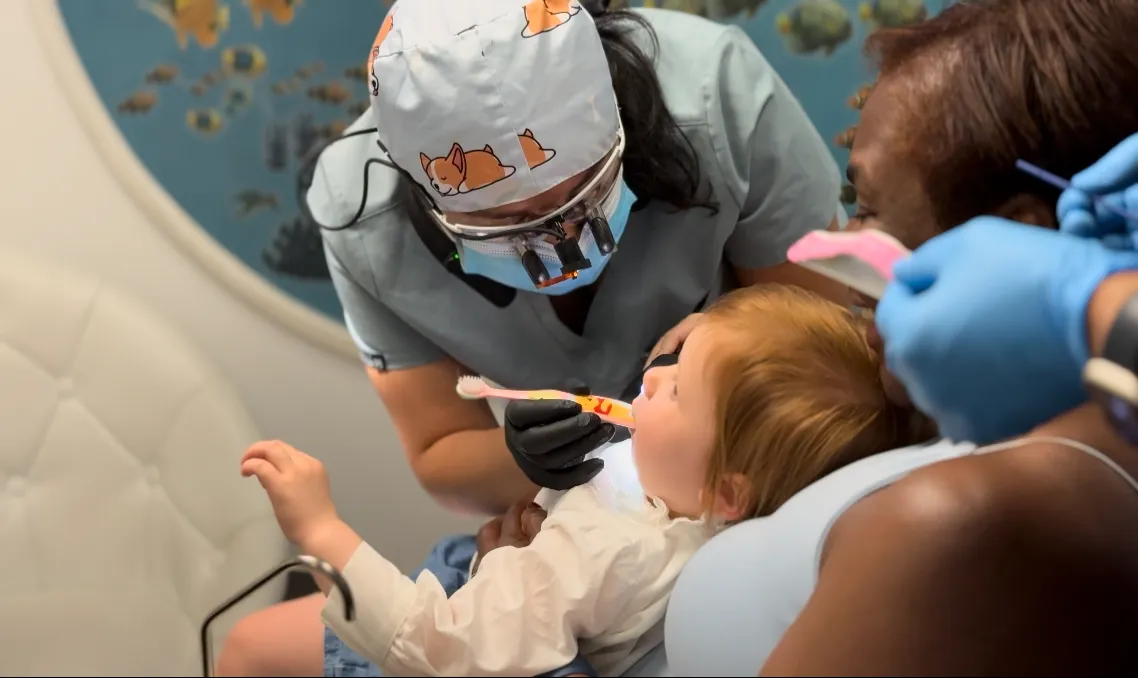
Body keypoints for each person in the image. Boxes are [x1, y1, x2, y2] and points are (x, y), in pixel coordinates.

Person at [621, 1, 1138, 675]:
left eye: (865, 206)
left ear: (1022, 239)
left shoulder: (954, 525)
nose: (830, 245)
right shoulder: (958, 440)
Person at [233, 285, 924, 677]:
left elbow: (435, 645)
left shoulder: (609, 551)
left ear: (729, 494)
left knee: (246, 650)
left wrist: (321, 532)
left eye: (678, 390)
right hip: (489, 588)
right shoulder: (679, 489)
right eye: (672, 361)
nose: (650, 376)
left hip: (460, 639)